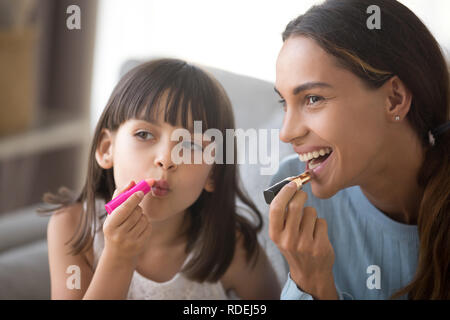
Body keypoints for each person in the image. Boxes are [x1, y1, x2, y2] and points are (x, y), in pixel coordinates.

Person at [42, 58, 280, 299]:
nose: (166, 159)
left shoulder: (232, 248)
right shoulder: (71, 225)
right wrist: (119, 256)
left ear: (213, 173)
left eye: (189, 144)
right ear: (106, 149)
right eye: (144, 134)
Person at [269, 0, 450, 299]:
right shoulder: (298, 195)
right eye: (284, 103)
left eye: (313, 99)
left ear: (393, 99)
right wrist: (308, 283)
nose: (287, 133)